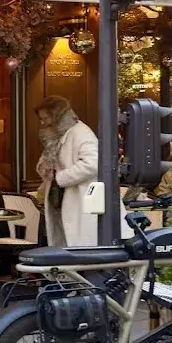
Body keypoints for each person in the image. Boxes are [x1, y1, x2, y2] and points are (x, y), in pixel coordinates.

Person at [35, 95, 126, 247]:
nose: (42, 123)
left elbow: (93, 163)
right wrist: (44, 168)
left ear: (57, 117)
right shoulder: (58, 136)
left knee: (81, 251)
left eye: (45, 118)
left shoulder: (80, 133)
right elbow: (48, 164)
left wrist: (60, 178)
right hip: (66, 202)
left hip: (83, 201)